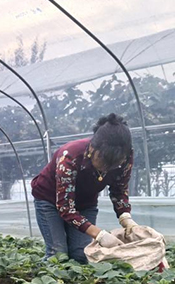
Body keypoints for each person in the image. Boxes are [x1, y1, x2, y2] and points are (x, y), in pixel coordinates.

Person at [31, 113, 137, 264]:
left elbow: (119, 189)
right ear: (92, 148)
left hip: (85, 204)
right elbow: (66, 208)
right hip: (49, 200)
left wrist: (126, 218)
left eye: (114, 164)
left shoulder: (125, 158)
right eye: (103, 160)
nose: (106, 168)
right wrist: (99, 235)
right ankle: (42, 276)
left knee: (81, 255)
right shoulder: (70, 156)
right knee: (58, 254)